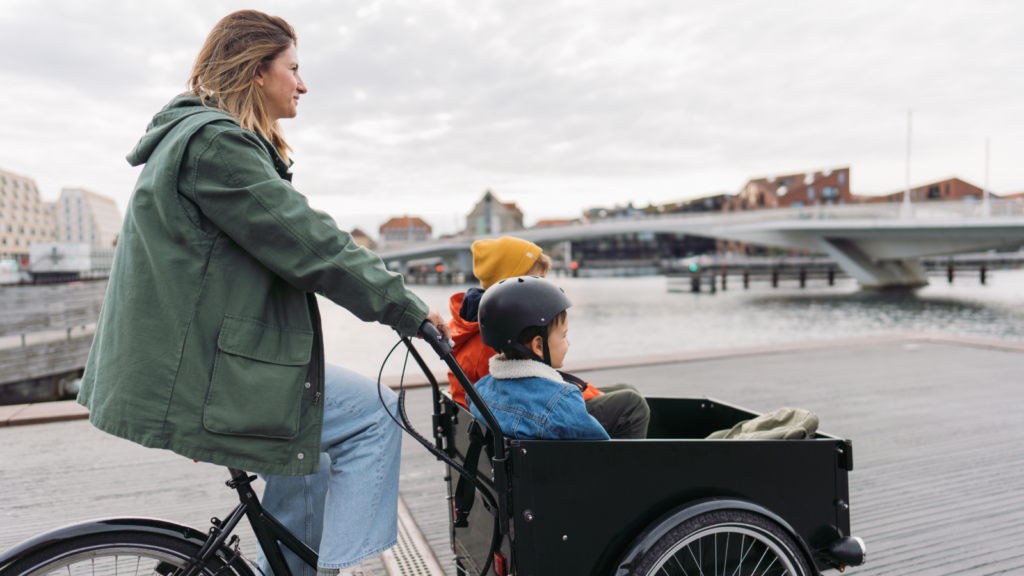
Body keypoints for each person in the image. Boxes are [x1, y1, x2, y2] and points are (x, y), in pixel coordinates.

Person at [75, 10, 449, 576]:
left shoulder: (202, 139)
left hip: (203, 361)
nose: (303, 83)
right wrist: (407, 309)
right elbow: (313, 243)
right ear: (256, 71)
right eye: (293, 69)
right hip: (205, 375)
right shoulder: (216, 148)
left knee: (312, 451)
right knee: (377, 411)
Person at [448, 237, 648, 439]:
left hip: (527, 409)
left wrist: (588, 393)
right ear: (513, 284)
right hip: (532, 418)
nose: (544, 287)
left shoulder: (492, 325)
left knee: (625, 390)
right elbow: (530, 397)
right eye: (538, 280)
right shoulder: (494, 341)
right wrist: (579, 396)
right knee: (632, 404)